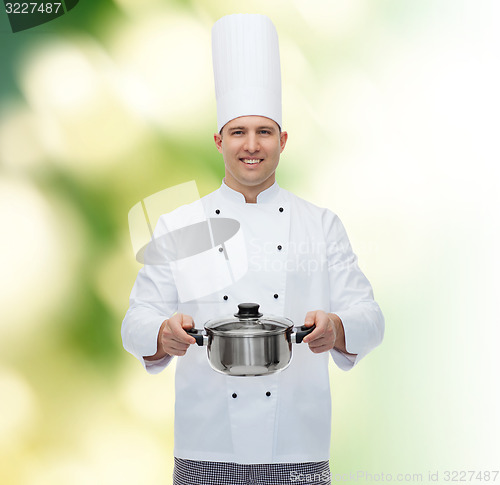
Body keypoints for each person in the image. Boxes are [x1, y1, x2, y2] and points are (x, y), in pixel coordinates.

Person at [122, 14, 384, 485]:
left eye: (264, 132)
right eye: (238, 132)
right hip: (206, 445)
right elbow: (135, 320)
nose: (251, 145)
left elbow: (371, 316)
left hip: (297, 448)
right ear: (219, 140)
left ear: (282, 141)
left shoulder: (320, 225)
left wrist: (338, 326)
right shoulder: (179, 224)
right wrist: (161, 332)